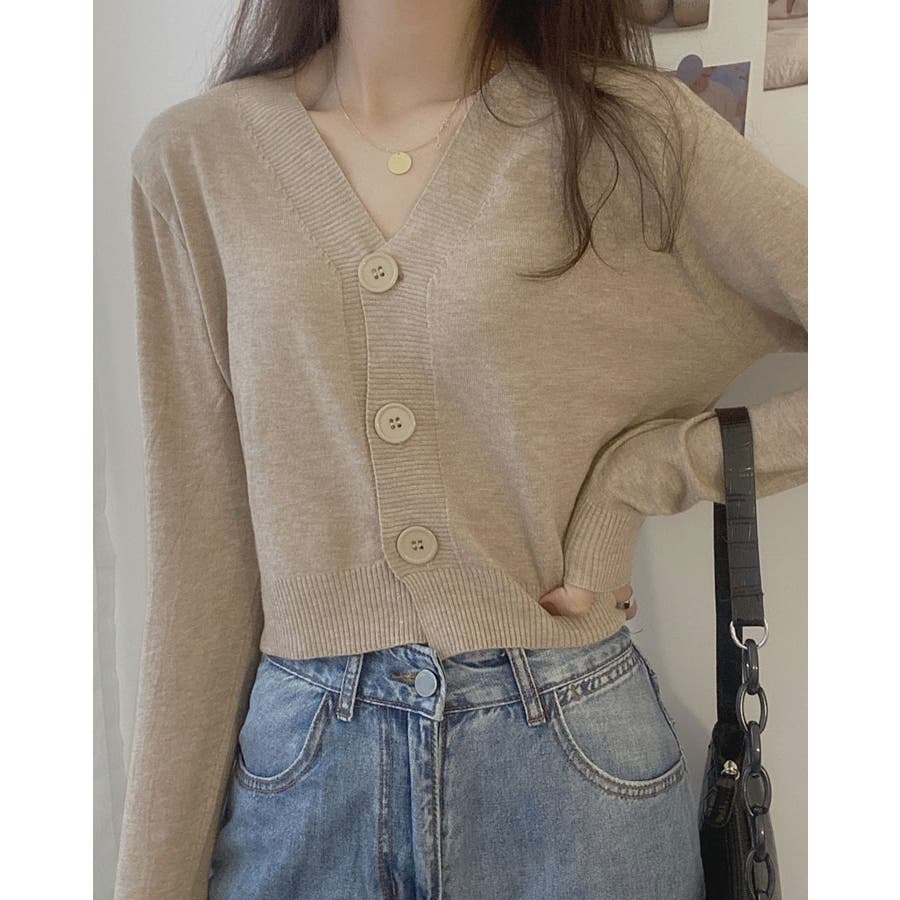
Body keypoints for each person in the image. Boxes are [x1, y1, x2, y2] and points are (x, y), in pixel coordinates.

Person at [114, 1, 807, 898]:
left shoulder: (629, 132)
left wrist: (649, 475)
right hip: (302, 784)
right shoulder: (197, 160)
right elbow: (201, 565)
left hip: (574, 772)